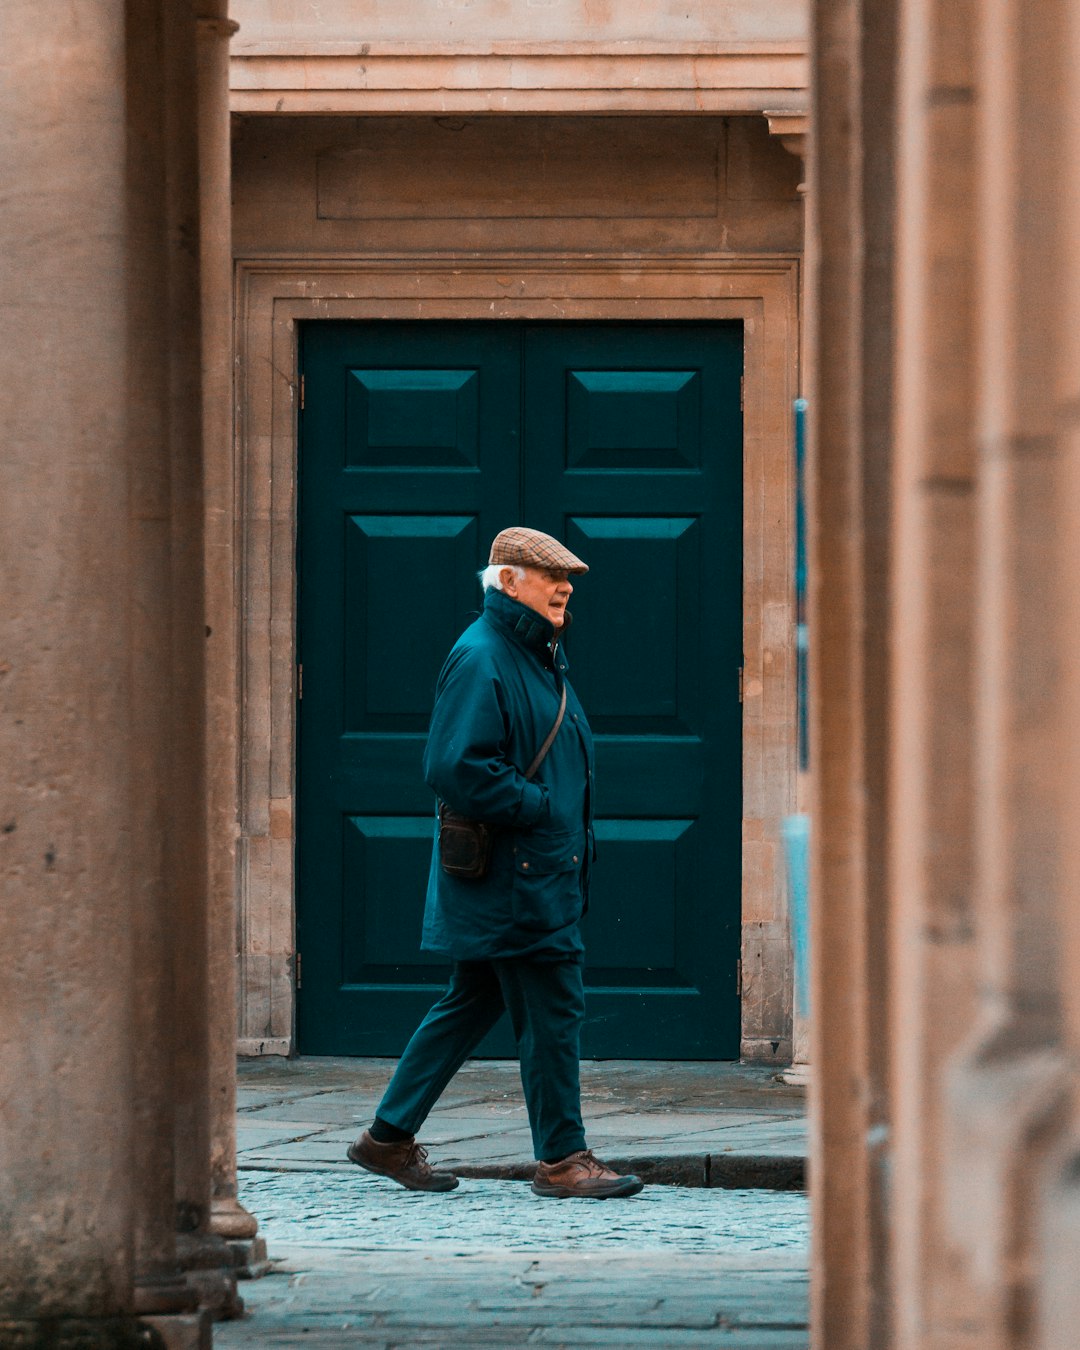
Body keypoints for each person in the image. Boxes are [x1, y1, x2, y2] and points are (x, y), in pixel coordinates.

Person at [347, 527, 644, 1200]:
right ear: (509, 583)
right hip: (520, 878)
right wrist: (539, 807)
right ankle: (563, 1159)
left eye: (568, 576)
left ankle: (387, 1139)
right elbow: (455, 767)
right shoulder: (484, 656)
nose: (565, 585)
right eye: (548, 576)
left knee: (471, 1000)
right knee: (554, 1010)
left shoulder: (533, 654)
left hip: (532, 870)